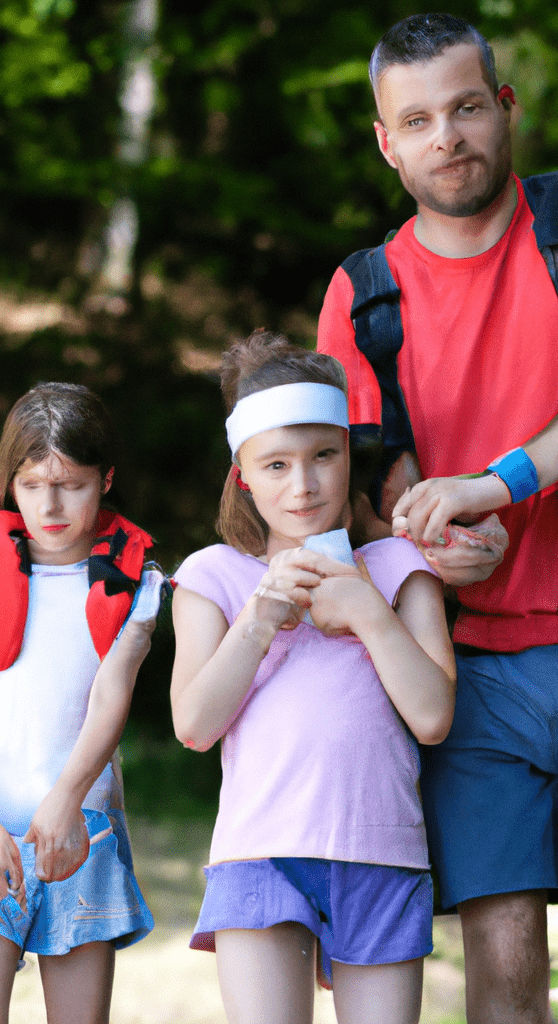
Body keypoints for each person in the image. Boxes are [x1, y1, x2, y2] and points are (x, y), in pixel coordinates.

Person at [317, 13, 558, 1023]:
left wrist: (493, 484)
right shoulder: (362, 294)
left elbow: (478, 479)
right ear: (385, 140)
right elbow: (355, 487)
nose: (445, 137)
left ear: (503, 109)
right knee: (502, 970)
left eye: (464, 108)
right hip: (467, 673)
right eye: (415, 119)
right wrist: (427, 542)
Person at [170, 331, 455, 1024]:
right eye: (276, 465)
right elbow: (195, 725)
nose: (303, 485)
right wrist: (263, 614)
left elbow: (433, 716)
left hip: (382, 852)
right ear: (244, 474)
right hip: (260, 852)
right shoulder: (215, 577)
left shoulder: (398, 568)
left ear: (348, 455)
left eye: (323, 456)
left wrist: (365, 609)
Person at [0, 381, 164, 1024]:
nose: (49, 506)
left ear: (107, 479)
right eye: (30, 485)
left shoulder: (137, 583)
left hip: (82, 832)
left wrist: (66, 799)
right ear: (9, 484)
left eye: (71, 484)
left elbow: (112, 701)